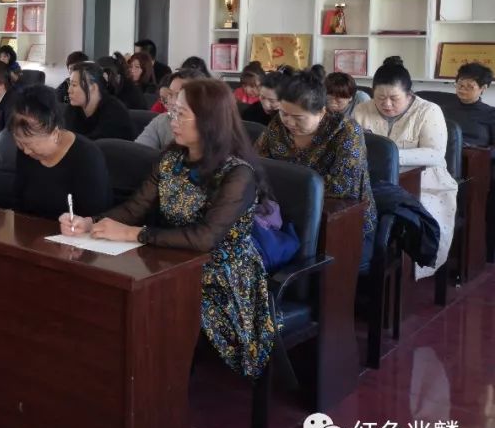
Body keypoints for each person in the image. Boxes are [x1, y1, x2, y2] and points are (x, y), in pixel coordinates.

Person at [63, 79, 274, 380]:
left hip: (221, 274)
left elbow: (205, 238)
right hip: (170, 257)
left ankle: (154, 384)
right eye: (172, 111)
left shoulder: (237, 173)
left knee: (148, 305)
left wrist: (134, 234)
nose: (171, 120)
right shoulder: (172, 158)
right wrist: (90, 222)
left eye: (181, 114)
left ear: (209, 120)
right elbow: (135, 208)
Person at [353, 57, 456, 277]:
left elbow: (435, 154)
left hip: (424, 181)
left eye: (394, 98)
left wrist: (389, 157)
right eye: (380, 98)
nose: (387, 104)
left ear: (409, 94)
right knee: (352, 212)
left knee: (412, 218)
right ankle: (360, 267)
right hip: (374, 180)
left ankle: (401, 270)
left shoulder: (429, 111)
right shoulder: (362, 109)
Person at [255, 70, 376, 256]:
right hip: (285, 214)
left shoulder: (346, 132)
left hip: (341, 220)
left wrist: (286, 187)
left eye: (298, 117)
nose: (289, 122)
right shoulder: (277, 126)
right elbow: (257, 162)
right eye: (284, 113)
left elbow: (343, 186)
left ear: (321, 112)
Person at [0, 85, 111, 221]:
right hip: (32, 230)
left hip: (72, 232)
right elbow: (20, 204)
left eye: (30, 145)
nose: (26, 151)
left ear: (55, 133)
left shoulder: (88, 157)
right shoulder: (27, 150)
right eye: (20, 143)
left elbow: (94, 219)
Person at [65, 61, 135, 141]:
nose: (69, 90)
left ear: (93, 87)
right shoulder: (73, 108)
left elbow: (96, 145)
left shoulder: (114, 112)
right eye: (69, 84)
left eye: (74, 85)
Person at [136, 68, 202, 150]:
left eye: (180, 95)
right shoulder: (163, 120)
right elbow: (137, 152)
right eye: (170, 94)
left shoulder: (212, 135)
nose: (172, 101)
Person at [441, 62, 495, 147]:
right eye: (460, 85)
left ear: (483, 88)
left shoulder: (491, 113)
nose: (462, 89)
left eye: (469, 86)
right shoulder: (443, 110)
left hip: (476, 154)